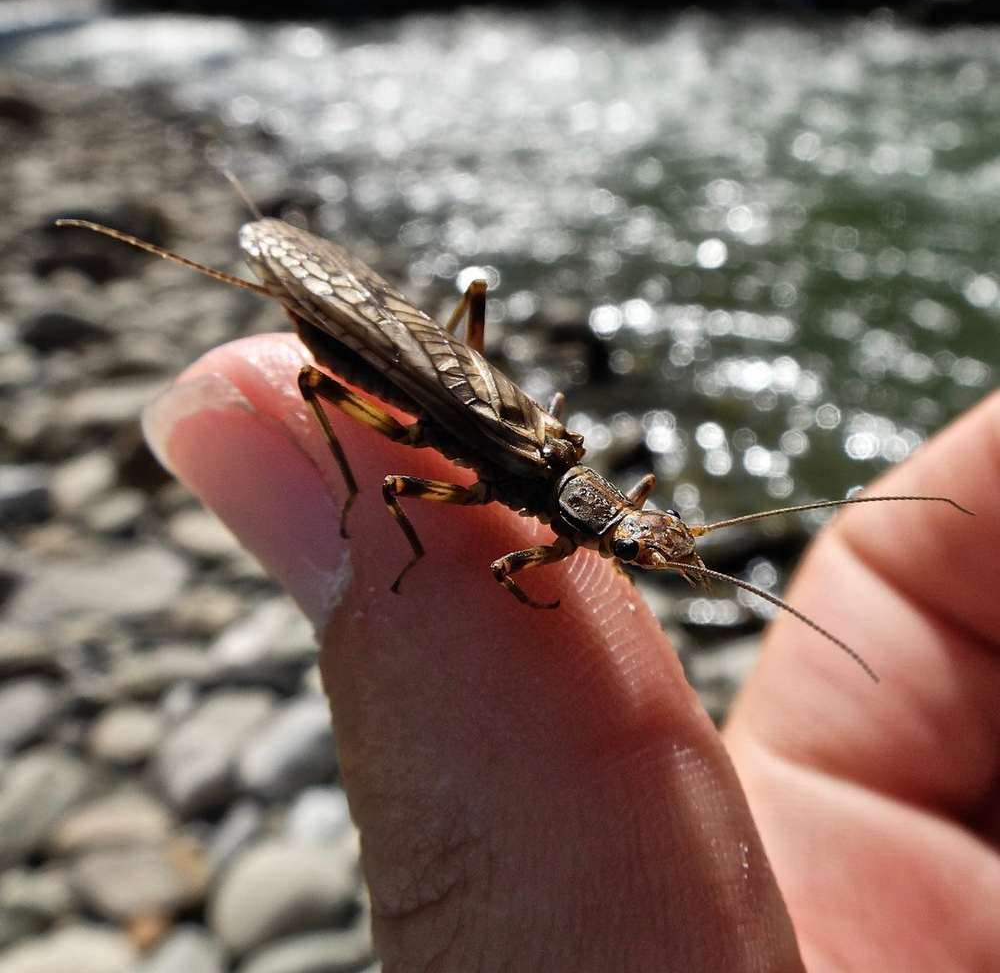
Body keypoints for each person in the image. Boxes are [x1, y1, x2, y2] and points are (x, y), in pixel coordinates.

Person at [144, 332, 1000, 972]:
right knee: (388, 474)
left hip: (442, 379)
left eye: (650, 540)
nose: (652, 546)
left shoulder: (576, 482)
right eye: (640, 542)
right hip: (389, 368)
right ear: (613, 523)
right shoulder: (545, 532)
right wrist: (399, 551)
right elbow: (505, 565)